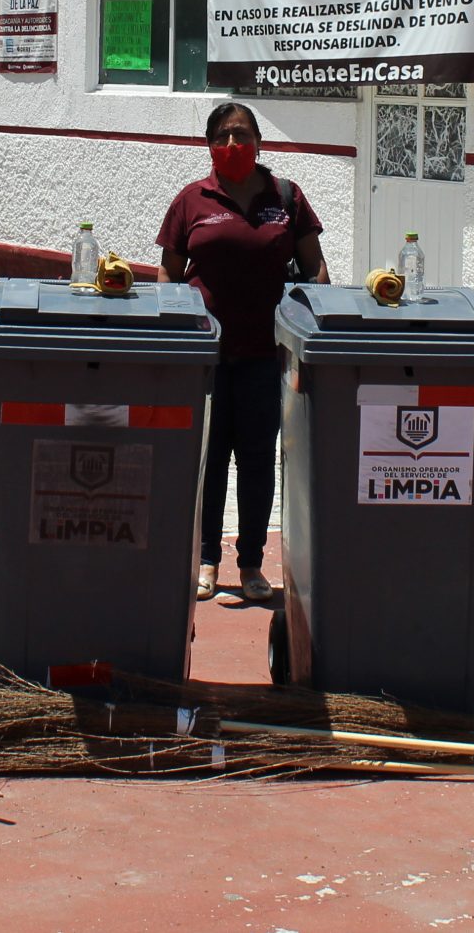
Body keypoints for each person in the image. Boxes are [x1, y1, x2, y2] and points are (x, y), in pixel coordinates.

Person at [158, 102, 326, 604]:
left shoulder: (286, 198)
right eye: (224, 136)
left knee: (256, 462)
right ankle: (206, 559)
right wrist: (173, 333)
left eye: (243, 134)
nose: (234, 145)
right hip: (205, 358)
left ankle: (251, 562)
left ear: (259, 141)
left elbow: (316, 270)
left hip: (263, 357)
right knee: (207, 461)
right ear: (209, 145)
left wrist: (306, 331)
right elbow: (168, 273)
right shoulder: (192, 200)